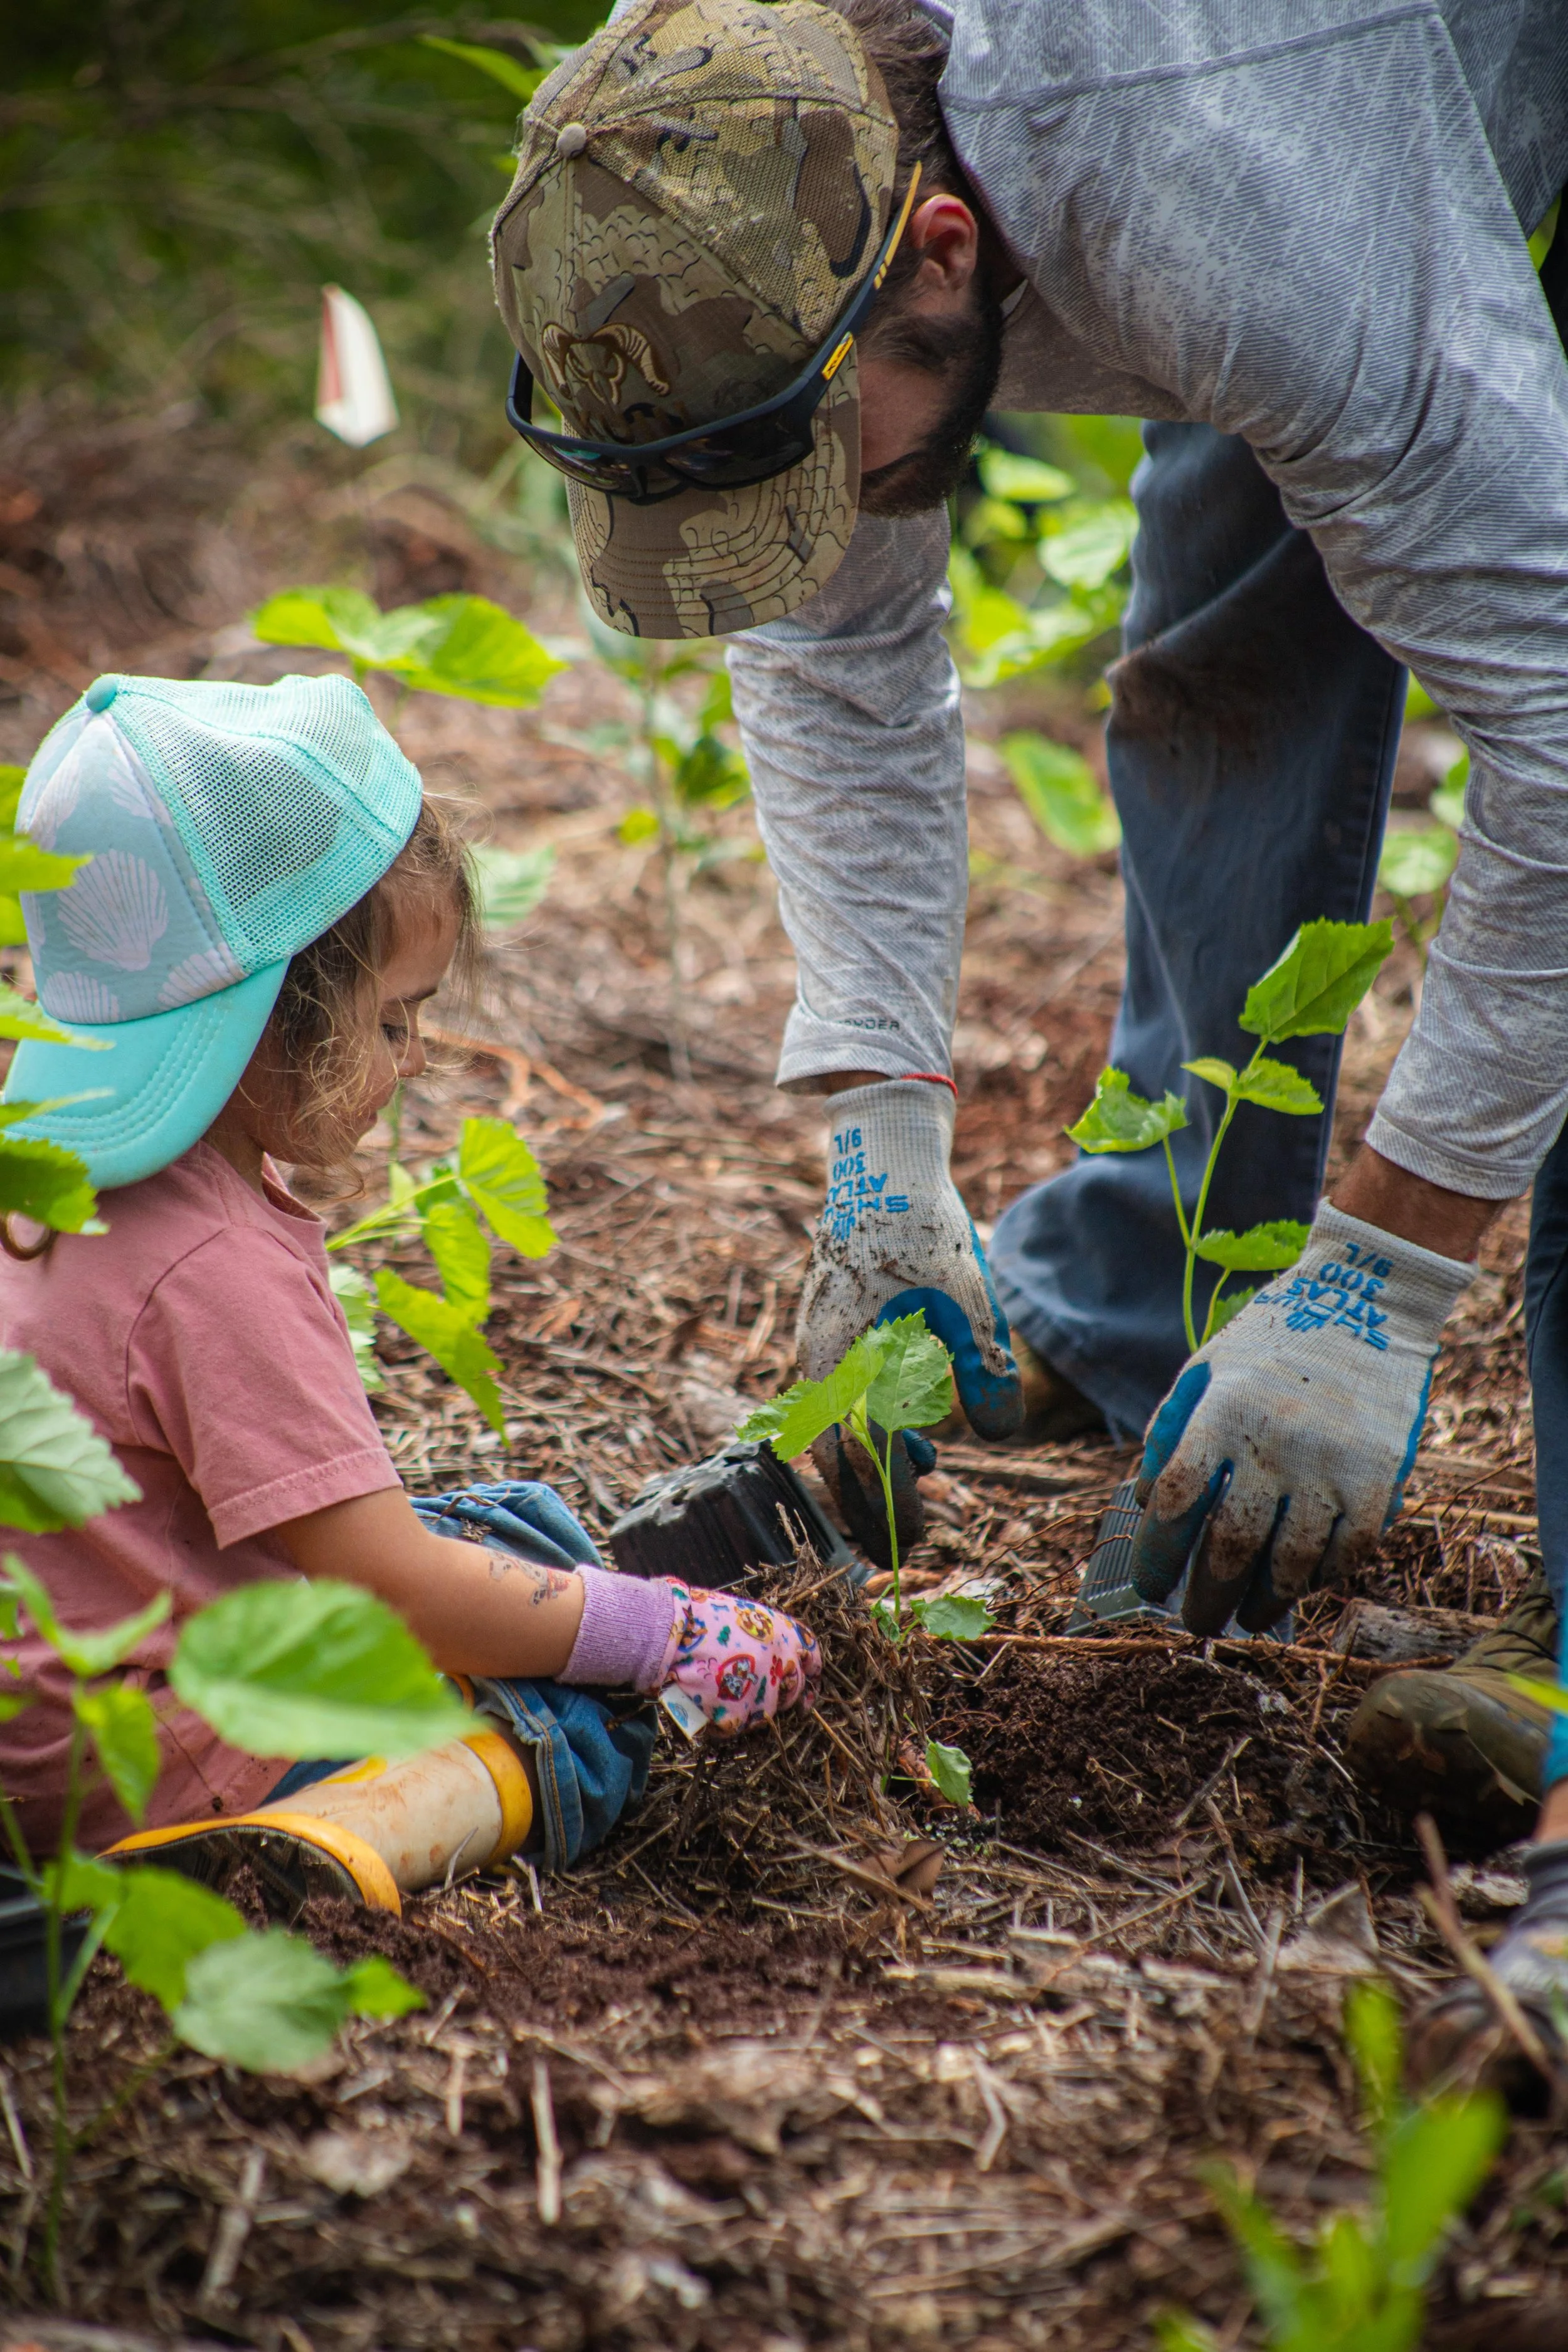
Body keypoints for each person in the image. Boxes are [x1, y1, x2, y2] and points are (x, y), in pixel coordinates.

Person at [490, 0, 1568, 2056]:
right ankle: (1143, 1304)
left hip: (1373, 88)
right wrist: (882, 1151)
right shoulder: (699, 160)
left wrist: (1392, 1270)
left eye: (826, 448)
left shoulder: (1213, 182)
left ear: (948, 249)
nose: (812, 504)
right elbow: (829, 649)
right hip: (1256, 190)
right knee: (1232, 619)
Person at [0, 670, 820, 1913]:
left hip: (54, 1733)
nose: (417, 1058)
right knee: (575, 1714)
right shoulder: (211, 1264)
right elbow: (384, 1584)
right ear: (266, 1019)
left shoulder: (56, 1173)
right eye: (396, 1021)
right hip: (179, 1773)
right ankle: (334, 1839)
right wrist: (655, 1640)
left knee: (499, 1529)